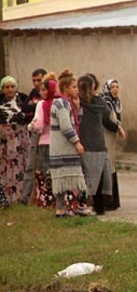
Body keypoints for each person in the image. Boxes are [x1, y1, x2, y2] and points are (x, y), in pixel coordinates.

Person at [78, 75, 124, 215]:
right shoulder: (100, 101)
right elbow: (107, 114)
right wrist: (118, 127)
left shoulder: (77, 102)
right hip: (98, 142)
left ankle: (83, 205)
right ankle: (99, 208)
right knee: (98, 175)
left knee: (84, 175)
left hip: (83, 142)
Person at [49, 70, 90, 218]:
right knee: (66, 177)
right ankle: (67, 208)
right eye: (73, 87)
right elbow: (66, 127)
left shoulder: (66, 103)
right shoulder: (60, 103)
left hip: (64, 148)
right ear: (66, 88)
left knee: (66, 178)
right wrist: (77, 143)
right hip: (62, 148)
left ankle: (67, 208)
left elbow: (76, 121)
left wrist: (78, 108)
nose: (76, 90)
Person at [28, 75, 58, 208]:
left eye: (44, 90)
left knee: (44, 174)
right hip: (58, 144)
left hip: (45, 144)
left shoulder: (41, 104)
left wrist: (30, 126)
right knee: (55, 174)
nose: (41, 93)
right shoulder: (60, 103)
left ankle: (45, 201)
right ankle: (57, 201)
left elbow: (38, 126)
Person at [19, 68, 47, 204]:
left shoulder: (49, 93)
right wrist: (35, 105)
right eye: (34, 80)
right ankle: (25, 197)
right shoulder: (34, 92)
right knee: (30, 165)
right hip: (33, 132)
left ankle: (44, 196)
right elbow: (24, 107)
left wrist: (35, 104)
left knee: (43, 166)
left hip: (46, 135)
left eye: (39, 80)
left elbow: (42, 107)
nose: (36, 84)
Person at [0, 75, 29, 204]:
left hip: (20, 139)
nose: (10, 90)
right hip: (4, 140)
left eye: (12, 86)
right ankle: (7, 197)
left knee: (21, 165)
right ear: (2, 89)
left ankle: (21, 196)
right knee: (6, 166)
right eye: (7, 87)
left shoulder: (23, 100)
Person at [101, 79, 124, 211]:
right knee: (107, 166)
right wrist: (117, 128)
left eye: (117, 86)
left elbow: (117, 120)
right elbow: (105, 120)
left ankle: (113, 201)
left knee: (112, 166)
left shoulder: (116, 103)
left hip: (112, 139)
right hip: (105, 138)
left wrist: (118, 127)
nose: (115, 89)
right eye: (112, 87)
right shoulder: (105, 102)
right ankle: (106, 200)